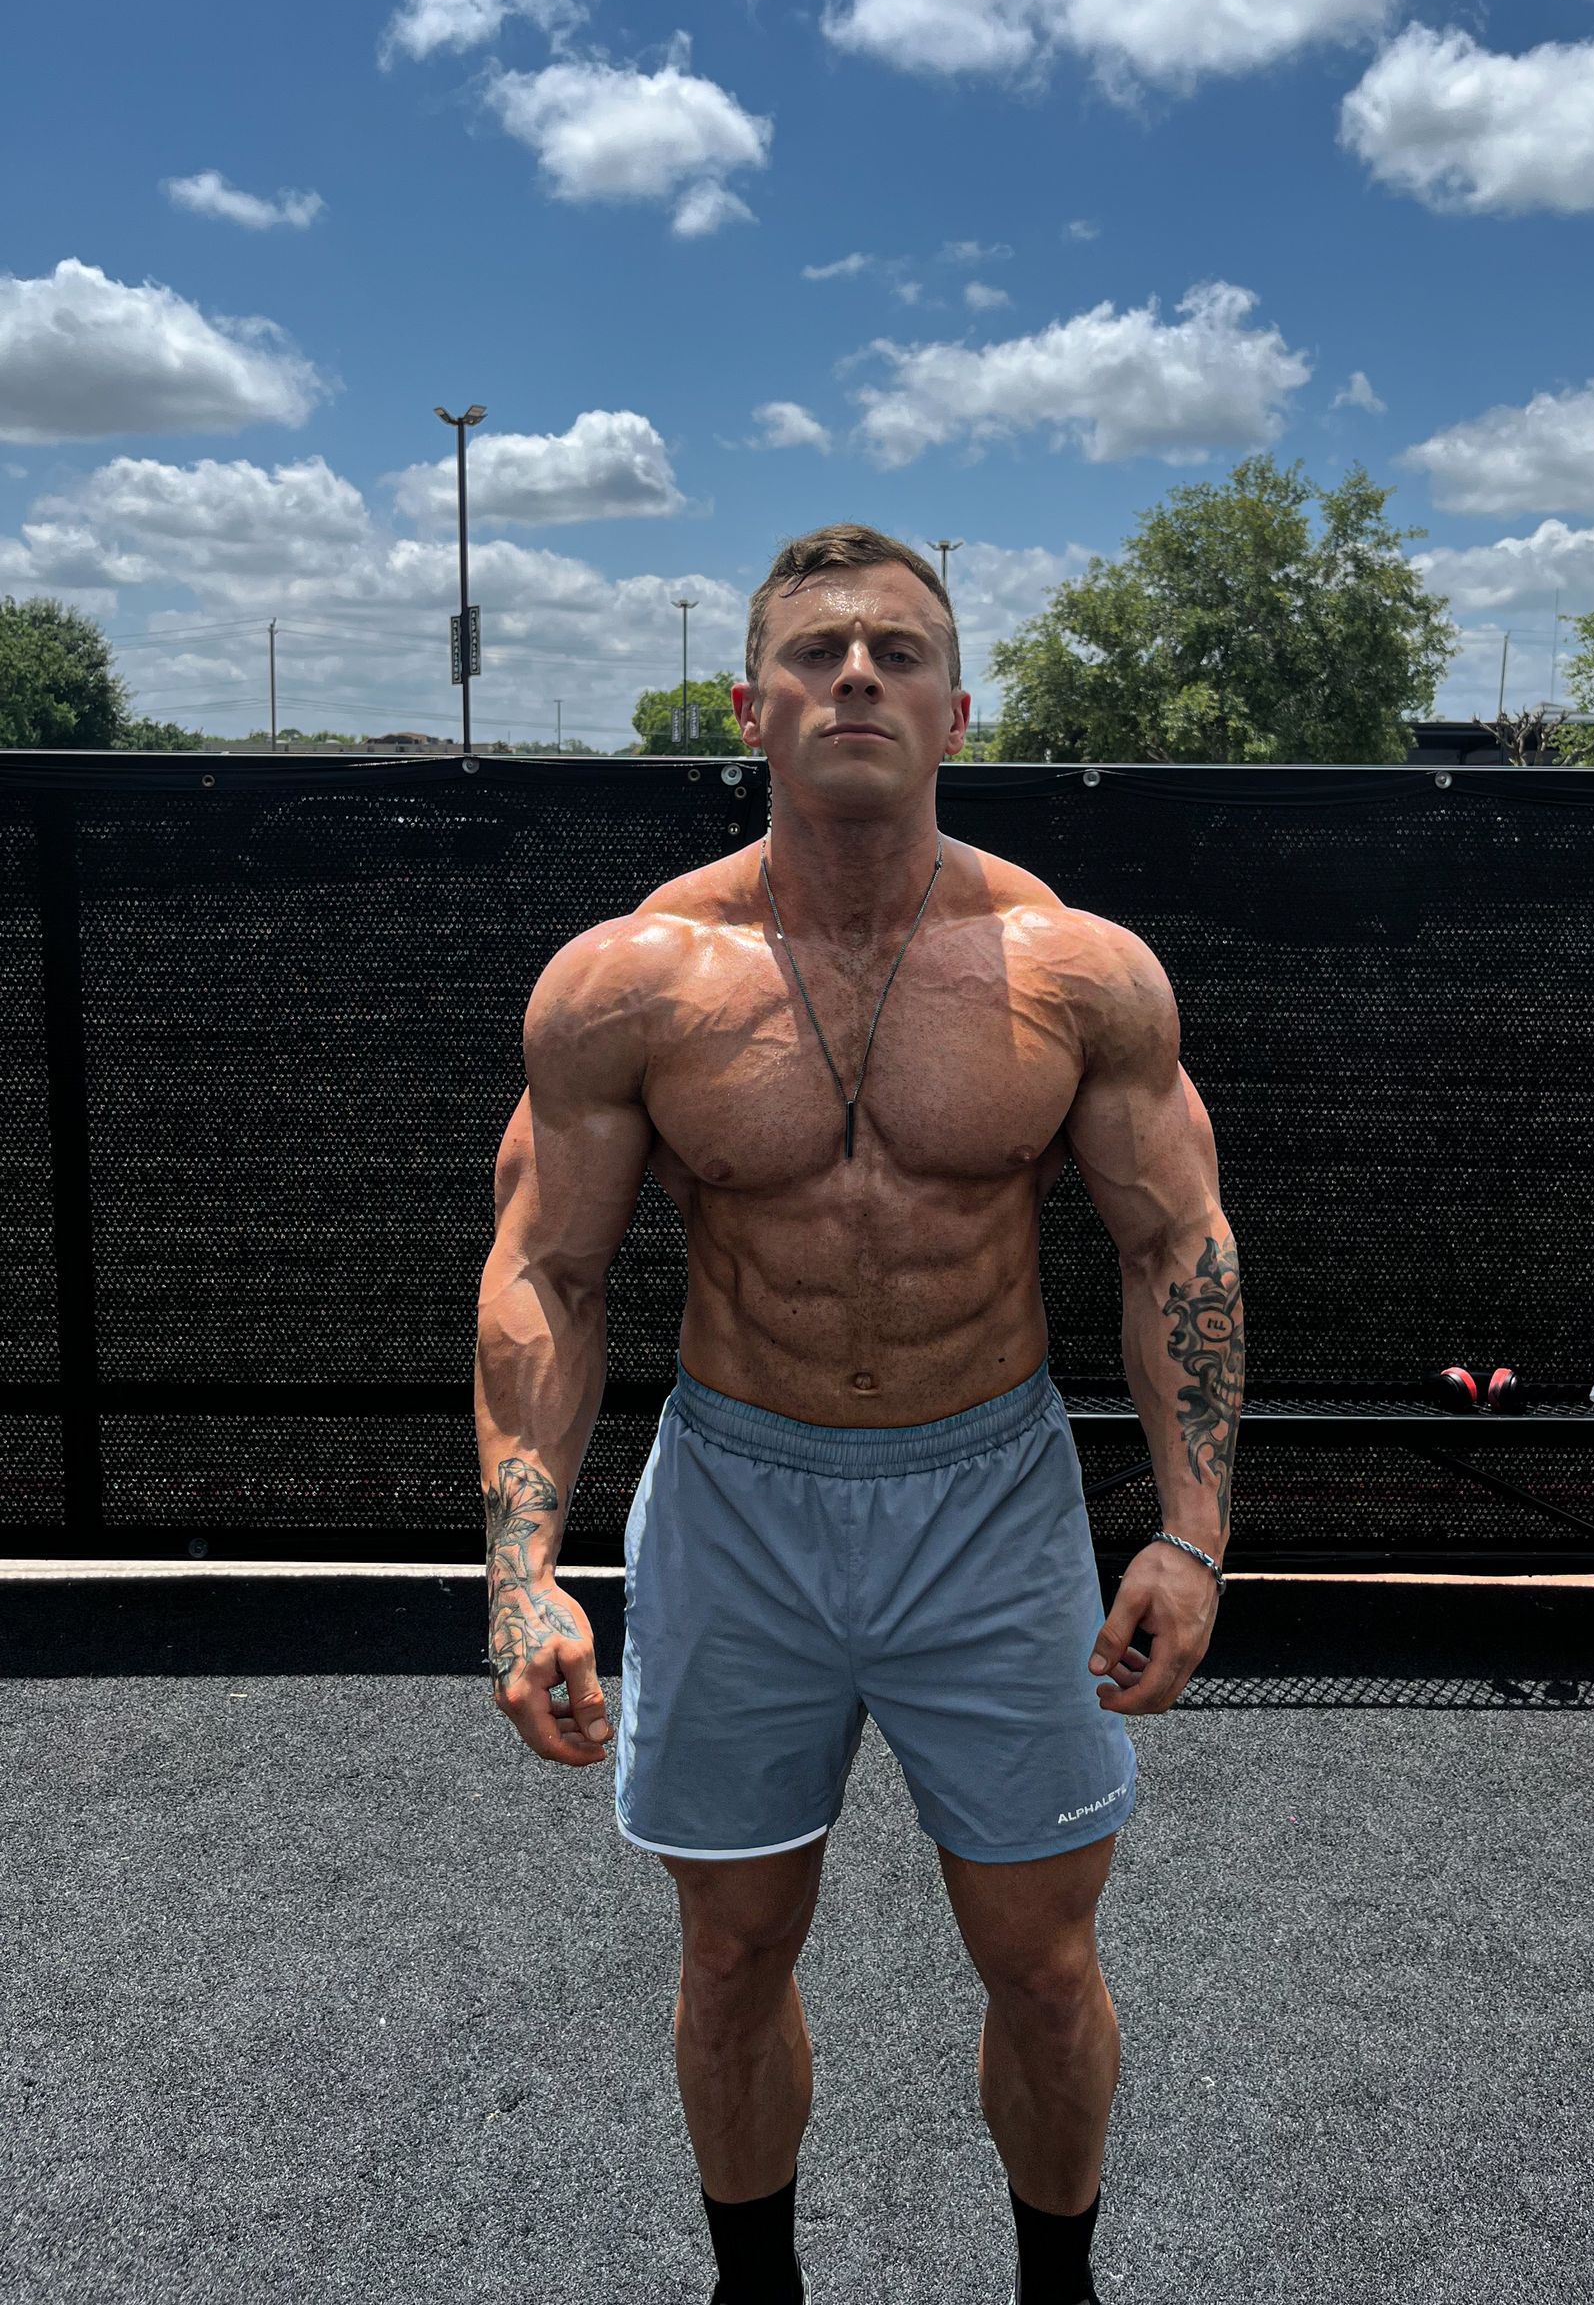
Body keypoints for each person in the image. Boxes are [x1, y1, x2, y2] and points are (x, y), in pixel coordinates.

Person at [476, 523, 1244, 2305]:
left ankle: (1058, 2291)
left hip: (991, 1500)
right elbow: (547, 1275)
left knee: (1043, 1964)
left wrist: (1194, 1530)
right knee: (732, 1956)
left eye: (898, 654)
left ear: (956, 713)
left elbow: (1178, 1249)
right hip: (739, 1503)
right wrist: (522, 1572)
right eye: (815, 655)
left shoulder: (1074, 970)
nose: (855, 679)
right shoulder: (633, 979)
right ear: (750, 708)